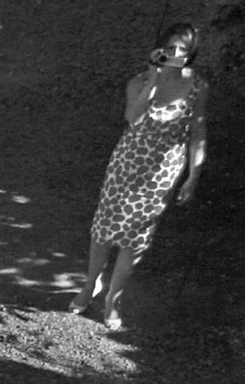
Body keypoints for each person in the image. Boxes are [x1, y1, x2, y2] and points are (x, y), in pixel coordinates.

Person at [76, 21, 209, 332]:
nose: (176, 54)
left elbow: (198, 132)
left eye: (183, 50)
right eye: (171, 47)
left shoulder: (199, 86)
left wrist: (194, 175)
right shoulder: (138, 82)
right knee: (103, 231)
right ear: (159, 50)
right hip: (125, 165)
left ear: (191, 55)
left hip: (162, 172)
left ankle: (113, 299)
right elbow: (132, 119)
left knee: (136, 239)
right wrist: (153, 79)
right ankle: (90, 284)